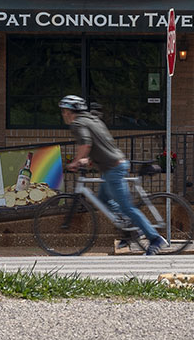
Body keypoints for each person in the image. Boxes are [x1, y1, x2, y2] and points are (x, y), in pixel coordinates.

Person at [59, 95, 164, 255]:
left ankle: (155, 238)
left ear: (71, 111)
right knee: (103, 200)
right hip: (112, 167)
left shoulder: (78, 123)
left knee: (127, 207)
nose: (64, 115)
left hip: (113, 170)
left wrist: (76, 161)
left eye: (65, 111)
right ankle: (130, 230)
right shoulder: (93, 120)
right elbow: (101, 144)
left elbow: (86, 143)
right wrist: (88, 160)